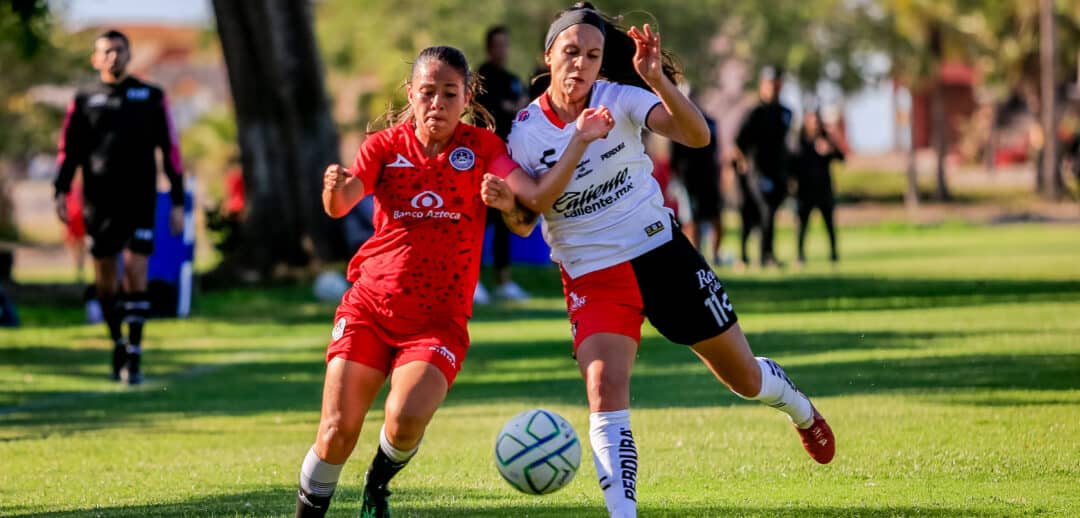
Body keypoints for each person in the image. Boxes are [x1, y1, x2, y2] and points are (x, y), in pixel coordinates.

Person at [502, 5, 835, 517]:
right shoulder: (524, 133)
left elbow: (698, 136)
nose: (581, 65)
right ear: (547, 56)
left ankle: (797, 405)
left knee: (743, 379)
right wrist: (508, 204)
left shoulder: (621, 98)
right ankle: (623, 513)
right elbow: (524, 220)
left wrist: (657, 79)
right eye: (570, 53)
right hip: (593, 273)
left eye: (592, 55)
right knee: (603, 386)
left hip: (661, 255)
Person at [292, 45, 606, 518]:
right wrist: (333, 188)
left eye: (448, 93)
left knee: (404, 420)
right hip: (369, 308)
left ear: (466, 97)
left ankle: (377, 482)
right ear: (411, 95)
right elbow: (341, 204)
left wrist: (514, 194)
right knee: (337, 431)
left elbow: (533, 202)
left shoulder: (482, 149)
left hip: (437, 322)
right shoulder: (384, 146)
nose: (436, 103)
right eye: (427, 93)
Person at [53, 30, 185, 385]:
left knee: (137, 271)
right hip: (98, 203)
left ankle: (136, 355)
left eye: (119, 51)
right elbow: (69, 150)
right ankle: (118, 342)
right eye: (106, 52)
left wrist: (176, 199)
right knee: (106, 279)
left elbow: (170, 150)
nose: (113, 57)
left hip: (140, 199)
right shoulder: (83, 99)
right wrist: (61, 191)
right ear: (96, 59)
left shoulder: (151, 97)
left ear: (129, 56)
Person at [476, 25, 530, 303]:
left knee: (504, 219)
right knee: (479, 221)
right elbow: (487, 114)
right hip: (484, 161)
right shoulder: (480, 78)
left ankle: (503, 281)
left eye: (505, 45)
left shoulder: (512, 79)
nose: (502, 50)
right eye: (497, 45)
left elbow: (524, 108)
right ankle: (472, 282)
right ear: (489, 47)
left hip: (508, 161)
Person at [732, 65, 793, 269]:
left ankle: (764, 254)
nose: (774, 87)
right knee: (759, 212)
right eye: (770, 83)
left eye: (777, 83)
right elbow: (738, 142)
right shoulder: (755, 112)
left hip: (779, 173)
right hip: (758, 173)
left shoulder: (786, 112)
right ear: (762, 85)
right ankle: (759, 256)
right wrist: (744, 166)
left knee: (770, 213)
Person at [670, 99, 725, 265]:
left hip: (709, 177)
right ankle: (696, 257)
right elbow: (675, 157)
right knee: (691, 220)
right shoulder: (677, 124)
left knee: (715, 217)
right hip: (688, 180)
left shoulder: (711, 122)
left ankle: (715, 256)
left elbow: (716, 152)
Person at [793, 110, 844, 266]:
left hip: (824, 189)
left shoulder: (826, 141)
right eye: (812, 122)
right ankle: (800, 255)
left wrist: (831, 149)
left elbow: (841, 157)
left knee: (829, 224)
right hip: (805, 190)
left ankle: (834, 254)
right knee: (802, 225)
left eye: (817, 122)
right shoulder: (800, 142)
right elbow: (792, 162)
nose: (814, 125)